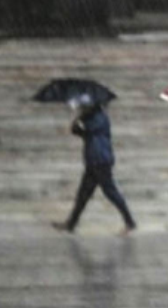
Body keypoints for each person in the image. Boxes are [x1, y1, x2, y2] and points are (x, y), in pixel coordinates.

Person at [52, 96, 136, 235]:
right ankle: (71, 224)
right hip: (92, 161)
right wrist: (76, 123)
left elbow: (90, 129)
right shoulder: (90, 118)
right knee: (83, 194)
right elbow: (80, 132)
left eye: (84, 107)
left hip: (101, 160)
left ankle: (130, 222)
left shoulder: (100, 118)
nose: (82, 108)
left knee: (111, 192)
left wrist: (80, 118)